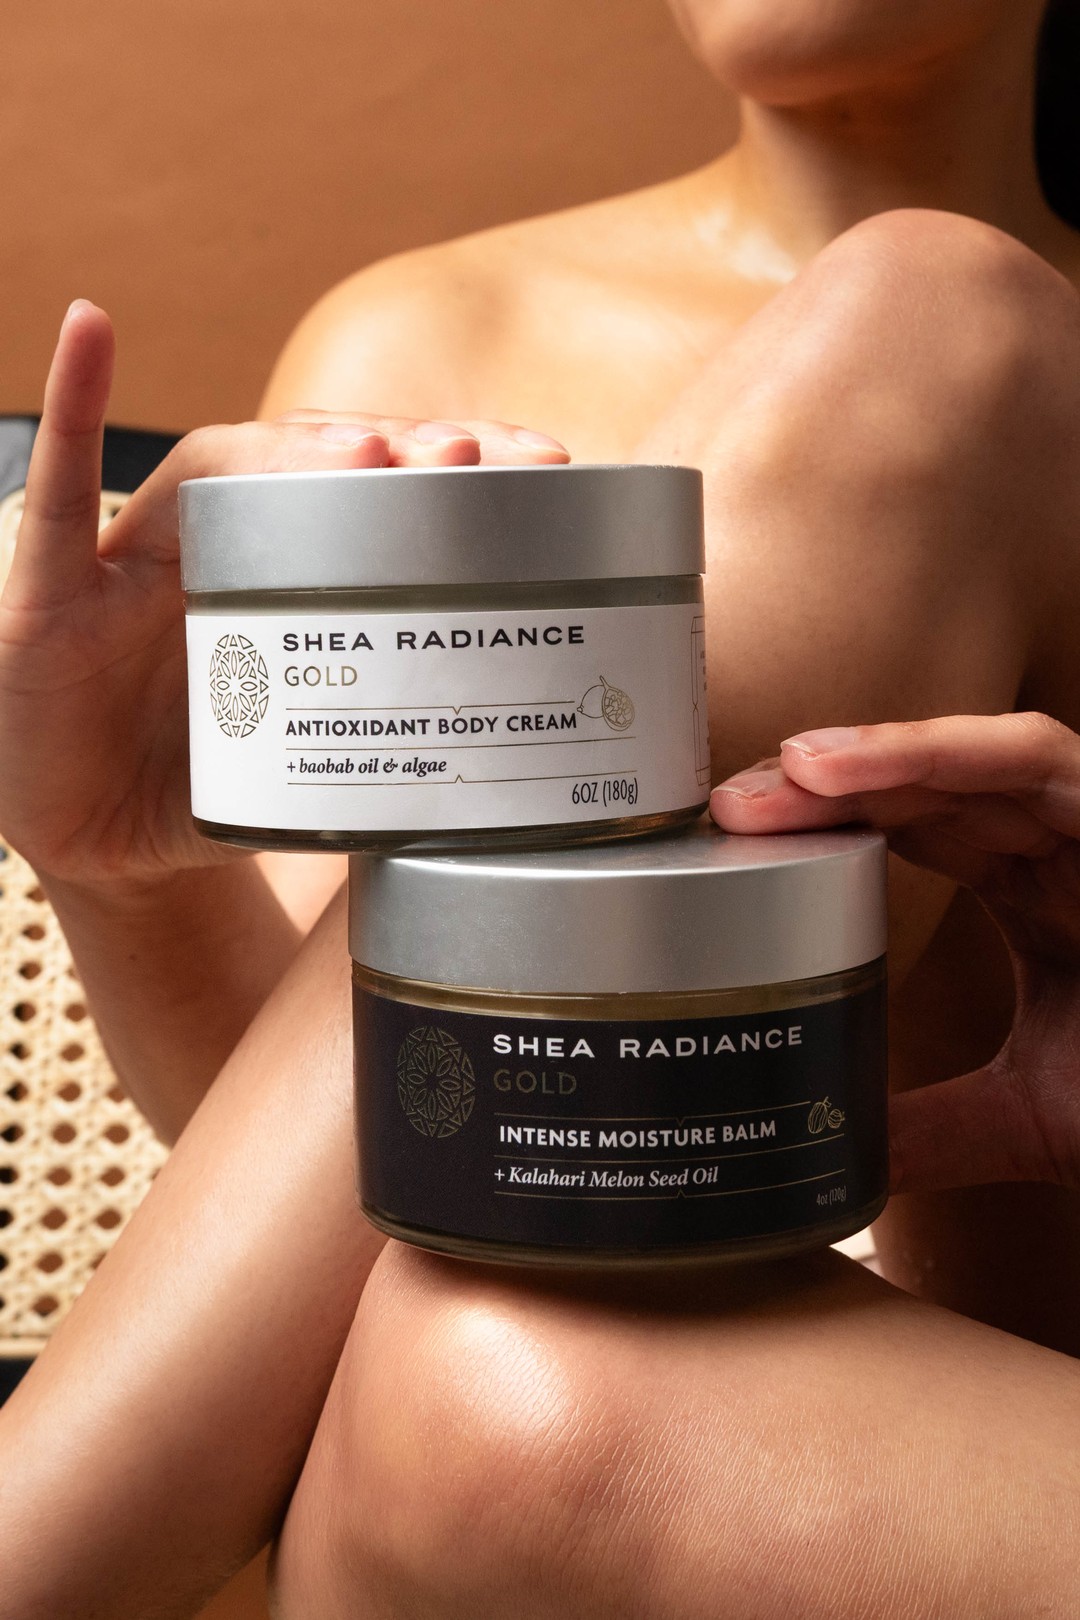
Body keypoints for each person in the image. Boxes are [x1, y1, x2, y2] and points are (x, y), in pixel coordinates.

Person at [2, 0, 1080, 1610]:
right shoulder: (425, 347)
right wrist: (123, 872)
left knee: (937, 311)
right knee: (470, 1390)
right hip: (576, 1456)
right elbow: (367, 1173)